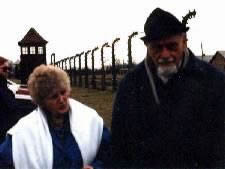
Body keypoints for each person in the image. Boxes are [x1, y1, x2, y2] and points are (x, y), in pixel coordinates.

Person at [111, 8, 225, 168]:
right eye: (157, 48)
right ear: (146, 46)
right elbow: (119, 150)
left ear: (185, 41)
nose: (165, 54)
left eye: (172, 46)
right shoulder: (130, 86)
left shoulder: (214, 82)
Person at [0, 64, 111, 169]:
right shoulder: (24, 132)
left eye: (63, 92)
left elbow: (109, 153)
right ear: (42, 101)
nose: (61, 100)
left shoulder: (89, 118)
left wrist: (95, 167)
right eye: (54, 97)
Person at [0, 56, 19, 143]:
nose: (7, 71)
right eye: (4, 69)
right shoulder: (3, 90)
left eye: (9, 69)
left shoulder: (5, 88)